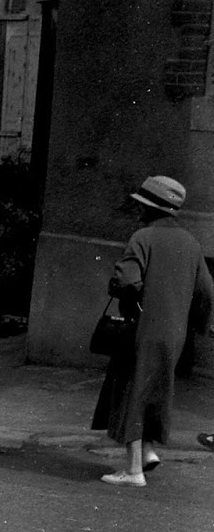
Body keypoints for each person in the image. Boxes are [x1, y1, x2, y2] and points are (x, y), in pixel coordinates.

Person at [90, 176, 214, 486]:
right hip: (175, 333)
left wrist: (123, 287)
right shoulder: (191, 243)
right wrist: (200, 324)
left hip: (142, 328)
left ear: (149, 208)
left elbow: (127, 282)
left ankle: (133, 471)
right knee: (156, 389)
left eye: (141, 205)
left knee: (132, 389)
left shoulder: (142, 237)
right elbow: (206, 292)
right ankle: (148, 451)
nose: (138, 210)